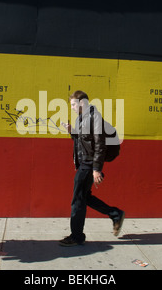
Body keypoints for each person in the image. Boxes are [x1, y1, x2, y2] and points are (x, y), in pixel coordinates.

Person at [59, 90, 125, 246]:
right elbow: (83, 141)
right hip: (84, 163)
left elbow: (100, 146)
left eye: (74, 104)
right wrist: (72, 132)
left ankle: (76, 236)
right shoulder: (81, 119)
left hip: (88, 165)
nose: (72, 107)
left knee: (77, 201)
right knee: (84, 197)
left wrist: (96, 169)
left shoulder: (95, 118)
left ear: (82, 103)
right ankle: (115, 214)